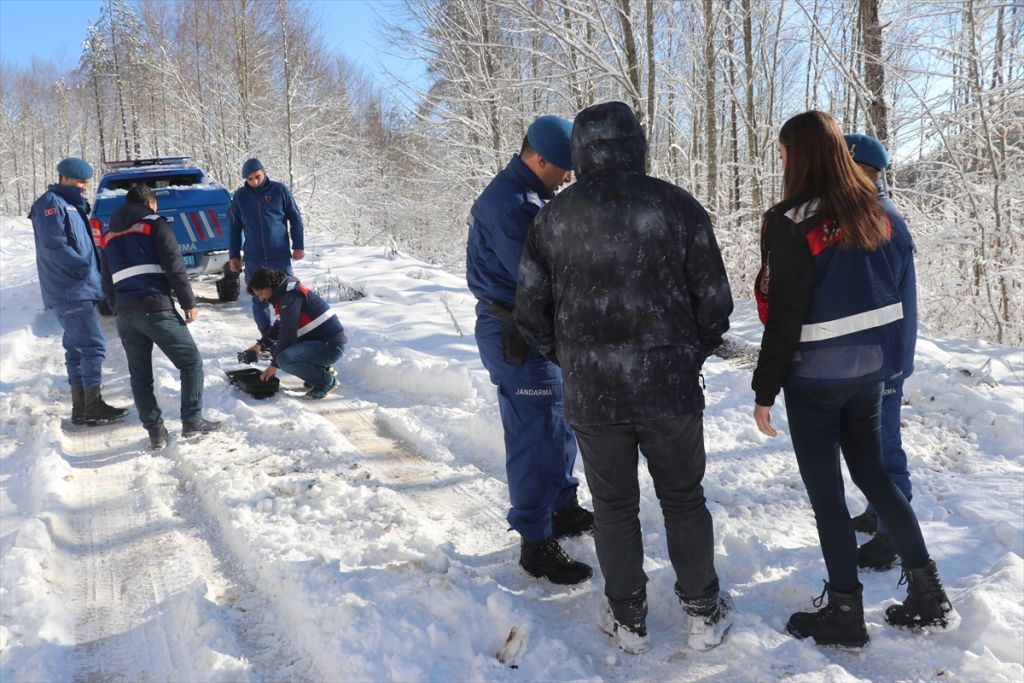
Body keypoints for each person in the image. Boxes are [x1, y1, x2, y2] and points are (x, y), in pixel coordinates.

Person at [516, 101, 735, 654]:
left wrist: (574, 359)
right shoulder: (677, 207)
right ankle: (703, 613)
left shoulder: (553, 217)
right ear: (637, 144)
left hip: (594, 390)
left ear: (581, 150)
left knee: (614, 506)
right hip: (669, 385)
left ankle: (629, 620)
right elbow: (715, 304)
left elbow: (530, 313)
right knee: (684, 497)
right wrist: (688, 354)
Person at [752, 110, 955, 648]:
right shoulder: (879, 213)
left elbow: (783, 314)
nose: (781, 161)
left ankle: (845, 613)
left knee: (828, 498)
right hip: (870, 374)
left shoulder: (790, 221)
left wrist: (764, 391)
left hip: (814, 382)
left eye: (783, 152)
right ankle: (928, 593)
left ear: (799, 156)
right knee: (878, 479)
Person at [466, 115, 595, 586]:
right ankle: (535, 542)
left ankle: (562, 506)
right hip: (516, 333)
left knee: (559, 424)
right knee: (534, 433)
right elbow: (547, 275)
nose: (567, 177)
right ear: (538, 159)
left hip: (537, 329)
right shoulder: (511, 204)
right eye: (562, 168)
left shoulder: (533, 195)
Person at [842, 133, 918, 571]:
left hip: (884, 359)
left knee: (885, 452)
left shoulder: (879, 221)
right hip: (880, 354)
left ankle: (892, 538)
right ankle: (877, 514)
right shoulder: (873, 214)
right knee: (872, 448)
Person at [101, 185, 222, 449]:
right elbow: (174, 265)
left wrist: (116, 307)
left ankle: (155, 433)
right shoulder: (155, 223)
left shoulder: (108, 235)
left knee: (140, 376)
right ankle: (191, 420)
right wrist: (188, 302)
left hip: (125, 313)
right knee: (191, 362)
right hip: (155, 307)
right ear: (151, 203)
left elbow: (106, 279)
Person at [30, 157, 128, 426]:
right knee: (93, 345)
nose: (84, 185)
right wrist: (83, 268)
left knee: (76, 348)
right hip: (70, 287)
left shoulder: (72, 205)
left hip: (78, 286)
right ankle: (92, 404)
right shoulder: (51, 204)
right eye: (79, 181)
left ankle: (82, 408)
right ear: (64, 178)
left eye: (86, 181)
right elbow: (55, 246)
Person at [228, 158, 305, 336]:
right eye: (250, 179)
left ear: (264, 172)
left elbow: (295, 219)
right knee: (259, 299)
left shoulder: (280, 190)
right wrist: (234, 255)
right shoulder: (240, 197)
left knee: (289, 294)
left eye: (257, 177)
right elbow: (234, 228)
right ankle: (266, 336)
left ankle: (293, 332)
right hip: (254, 257)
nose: (254, 181)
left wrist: (298, 246)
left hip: (279, 254)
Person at [244, 268, 346, 399]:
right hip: (320, 343)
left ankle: (325, 381)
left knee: (283, 359)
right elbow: (280, 326)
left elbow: (288, 333)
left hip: (330, 346)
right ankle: (320, 370)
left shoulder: (290, 296)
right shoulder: (284, 293)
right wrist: (260, 345)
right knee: (276, 350)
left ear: (269, 286)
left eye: (261, 293)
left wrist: (274, 365)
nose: (261, 298)